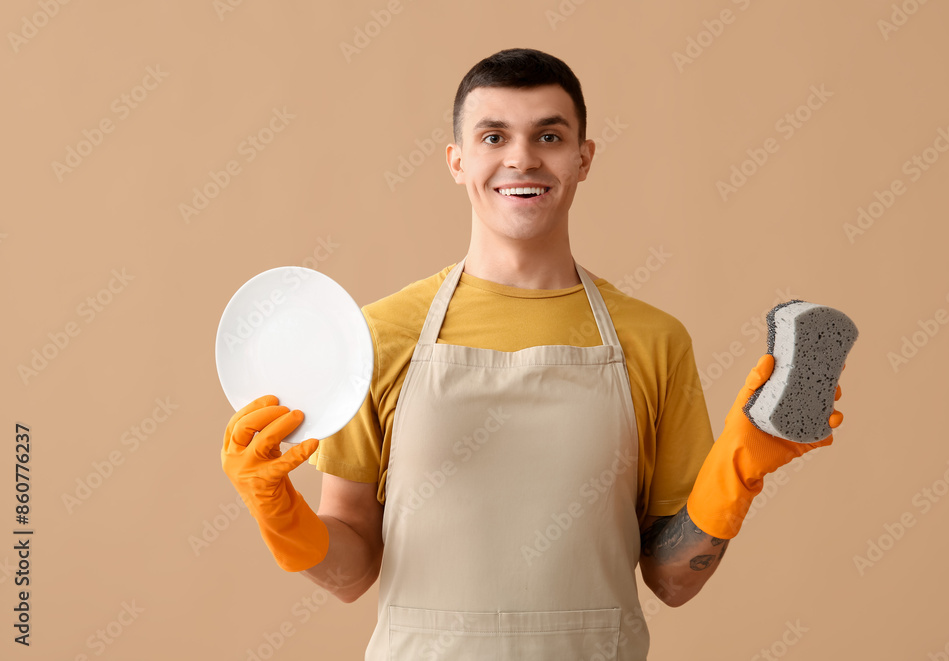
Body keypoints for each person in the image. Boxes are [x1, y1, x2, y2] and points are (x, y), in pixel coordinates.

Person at [221, 48, 846, 660]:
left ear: (583, 158)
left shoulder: (654, 340)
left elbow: (673, 579)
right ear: (457, 161)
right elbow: (351, 570)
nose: (521, 158)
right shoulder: (380, 336)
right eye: (493, 137)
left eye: (548, 137)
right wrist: (279, 513)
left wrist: (740, 464)